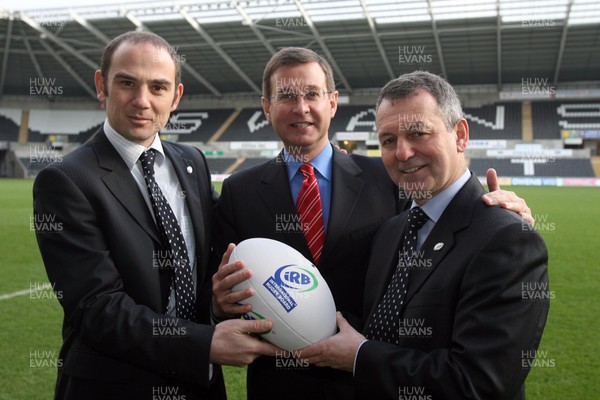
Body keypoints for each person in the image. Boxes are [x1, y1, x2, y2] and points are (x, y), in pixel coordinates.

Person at [211, 48, 534, 400]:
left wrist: (502, 214)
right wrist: (220, 305)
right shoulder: (237, 190)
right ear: (266, 107)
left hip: (367, 383)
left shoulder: (389, 176)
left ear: (332, 103)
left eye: (312, 94)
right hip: (281, 384)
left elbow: (453, 217)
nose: (301, 107)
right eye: (286, 96)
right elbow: (224, 286)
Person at [33, 31, 277, 400]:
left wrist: (213, 305)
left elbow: (214, 252)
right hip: (115, 386)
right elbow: (97, 309)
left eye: (158, 87)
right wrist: (202, 343)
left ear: (176, 96)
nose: (142, 101)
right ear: (102, 86)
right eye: (127, 82)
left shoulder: (191, 162)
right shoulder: (67, 180)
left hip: (199, 385)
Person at [299, 71, 549, 400]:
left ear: (460, 135)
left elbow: (478, 383)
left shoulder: (507, 238)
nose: (402, 153)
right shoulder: (392, 231)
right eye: (388, 140)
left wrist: (361, 356)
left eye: (418, 133)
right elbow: (380, 326)